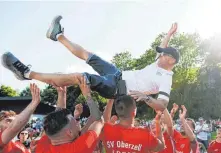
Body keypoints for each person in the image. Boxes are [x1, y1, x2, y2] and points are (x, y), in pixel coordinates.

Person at [2, 16, 179, 111]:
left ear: (171, 60)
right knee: (90, 56)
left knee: (82, 77)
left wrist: (147, 98)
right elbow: (162, 47)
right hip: (117, 74)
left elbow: (162, 105)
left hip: (118, 88)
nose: (160, 56)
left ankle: (26, 74)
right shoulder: (159, 63)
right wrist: (169, 34)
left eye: (164, 56)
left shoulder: (166, 79)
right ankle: (57, 35)